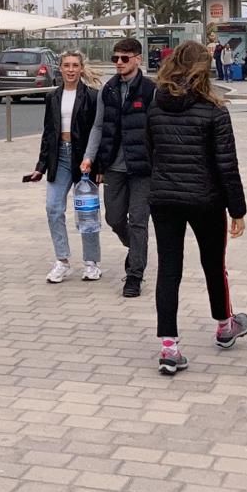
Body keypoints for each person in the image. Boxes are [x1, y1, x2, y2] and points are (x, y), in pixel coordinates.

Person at [145, 41, 247, 375]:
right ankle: (223, 324)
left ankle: (169, 347)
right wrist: (238, 209)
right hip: (206, 200)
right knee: (213, 264)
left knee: (169, 269)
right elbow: (226, 165)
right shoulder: (215, 110)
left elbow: (151, 152)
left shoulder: (155, 105)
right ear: (207, 68)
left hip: (164, 198)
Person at [88, 37, 157, 297]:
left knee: (138, 222)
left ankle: (134, 276)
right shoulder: (109, 90)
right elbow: (98, 126)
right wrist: (91, 158)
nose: (118, 63)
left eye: (124, 58)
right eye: (115, 58)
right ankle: (136, 247)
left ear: (137, 59)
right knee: (114, 218)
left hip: (143, 170)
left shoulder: (150, 90)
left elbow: (157, 130)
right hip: (113, 168)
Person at [26, 50, 102, 283]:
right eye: (66, 65)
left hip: (83, 160)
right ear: (60, 68)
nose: (70, 69)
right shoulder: (53, 97)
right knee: (53, 208)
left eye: (75, 65)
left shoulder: (92, 96)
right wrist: (40, 165)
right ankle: (63, 260)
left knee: (87, 213)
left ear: (81, 68)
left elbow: (98, 132)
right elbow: (48, 133)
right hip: (58, 158)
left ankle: (91, 263)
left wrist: (98, 166)